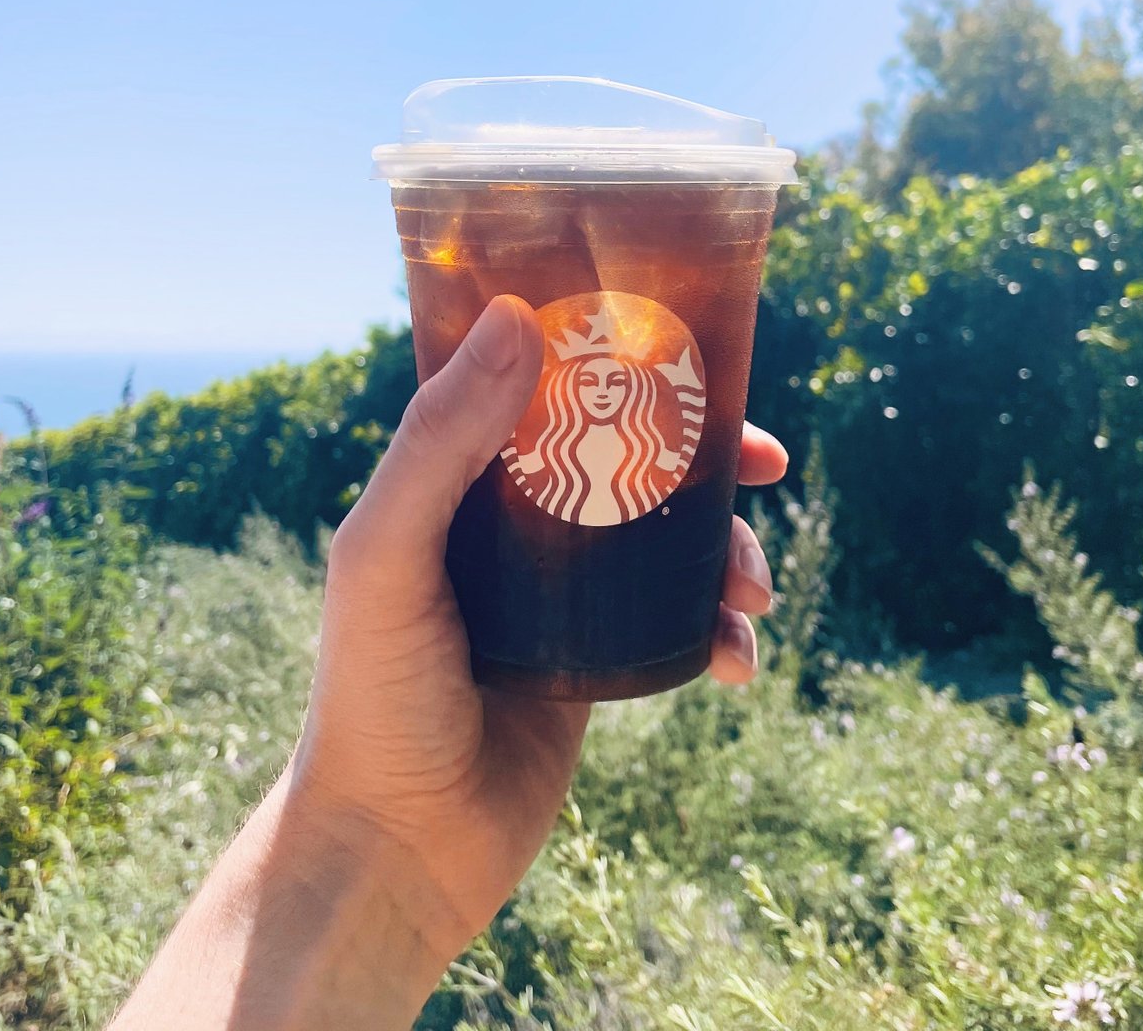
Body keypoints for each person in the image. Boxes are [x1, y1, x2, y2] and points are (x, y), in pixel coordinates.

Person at [109, 295, 787, 1030]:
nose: (601, 388)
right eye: (586, 378)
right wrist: (375, 829)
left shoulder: (638, 447)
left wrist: (374, 842)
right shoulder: (556, 448)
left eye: (618, 381)